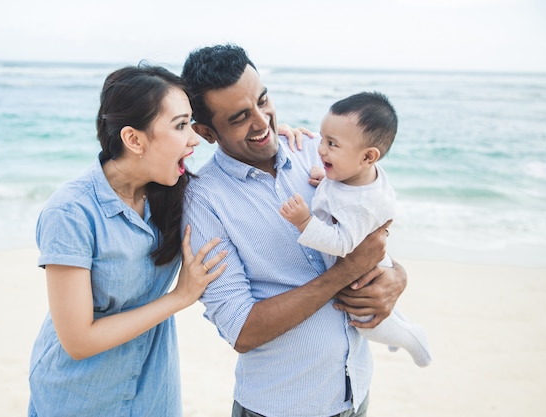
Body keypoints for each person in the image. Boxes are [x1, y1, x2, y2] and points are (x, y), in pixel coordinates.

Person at [181, 44, 407, 417]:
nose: (262, 121)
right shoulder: (202, 204)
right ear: (206, 132)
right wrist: (345, 273)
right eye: (240, 117)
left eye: (263, 100)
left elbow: (366, 227)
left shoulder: (316, 151)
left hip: (355, 391)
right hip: (280, 406)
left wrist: (397, 277)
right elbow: (241, 330)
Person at [28, 64, 228, 417]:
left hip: (154, 397)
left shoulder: (177, 194)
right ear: (134, 139)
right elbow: (78, 340)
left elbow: (246, 184)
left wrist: (284, 143)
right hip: (78, 401)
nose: (193, 139)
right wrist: (179, 297)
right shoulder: (71, 212)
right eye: (180, 125)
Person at [280, 92, 432, 368]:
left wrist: (304, 221)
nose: (321, 149)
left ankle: (411, 338)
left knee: (366, 320)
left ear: (368, 157)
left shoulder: (361, 205)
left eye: (332, 144)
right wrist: (326, 178)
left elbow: (341, 243)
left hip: (362, 273)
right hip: (371, 260)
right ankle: (399, 327)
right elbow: (342, 186)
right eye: (323, 139)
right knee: (386, 312)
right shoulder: (356, 173)